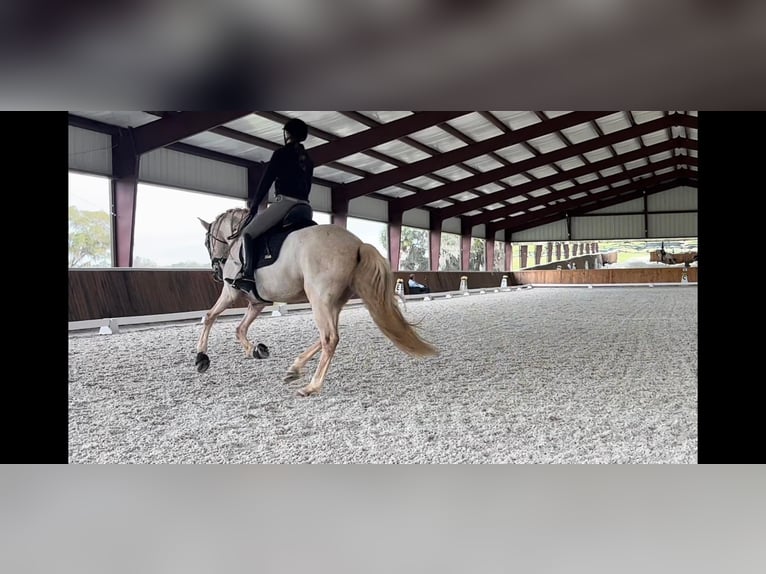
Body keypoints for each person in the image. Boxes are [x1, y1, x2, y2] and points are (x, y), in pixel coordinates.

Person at [227, 117, 314, 295]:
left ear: (287, 134)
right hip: (305, 207)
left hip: (286, 203)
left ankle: (248, 275)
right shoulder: (309, 160)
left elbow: (266, 182)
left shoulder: (281, 153)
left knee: (248, 233)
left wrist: (253, 206)